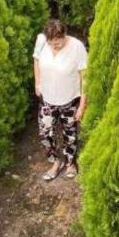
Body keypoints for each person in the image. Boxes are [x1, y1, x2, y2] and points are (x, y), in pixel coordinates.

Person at [33, 19, 88, 181]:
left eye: (57, 43)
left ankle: (70, 162)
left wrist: (82, 105)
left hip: (69, 100)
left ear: (65, 35)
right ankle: (56, 162)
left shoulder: (77, 47)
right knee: (45, 133)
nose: (54, 46)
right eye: (51, 43)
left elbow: (85, 78)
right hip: (47, 99)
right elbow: (36, 60)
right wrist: (37, 83)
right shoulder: (41, 41)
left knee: (70, 135)